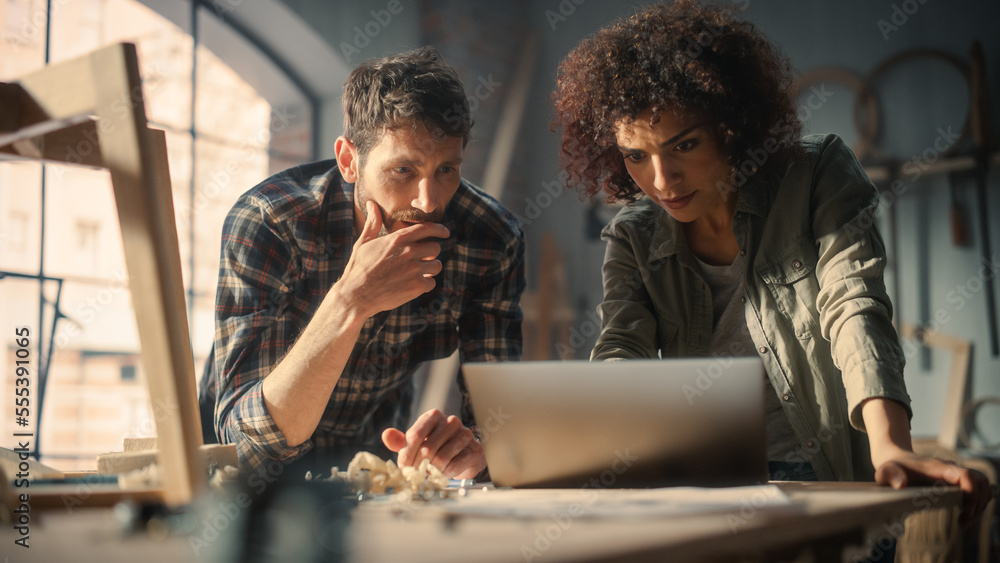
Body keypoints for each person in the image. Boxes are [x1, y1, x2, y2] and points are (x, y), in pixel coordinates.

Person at [553, 0, 990, 528]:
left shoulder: (816, 173)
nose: (662, 180)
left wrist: (891, 449)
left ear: (731, 126)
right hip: (704, 487)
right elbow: (623, 346)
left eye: (684, 144)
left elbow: (854, 306)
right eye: (636, 155)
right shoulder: (632, 234)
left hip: (829, 478)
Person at [201, 46, 524, 479]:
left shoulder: (491, 238)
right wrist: (351, 301)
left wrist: (476, 449)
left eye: (446, 170)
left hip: (369, 468)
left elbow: (501, 428)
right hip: (231, 482)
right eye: (403, 171)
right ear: (350, 161)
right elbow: (249, 450)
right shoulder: (270, 222)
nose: (428, 203)